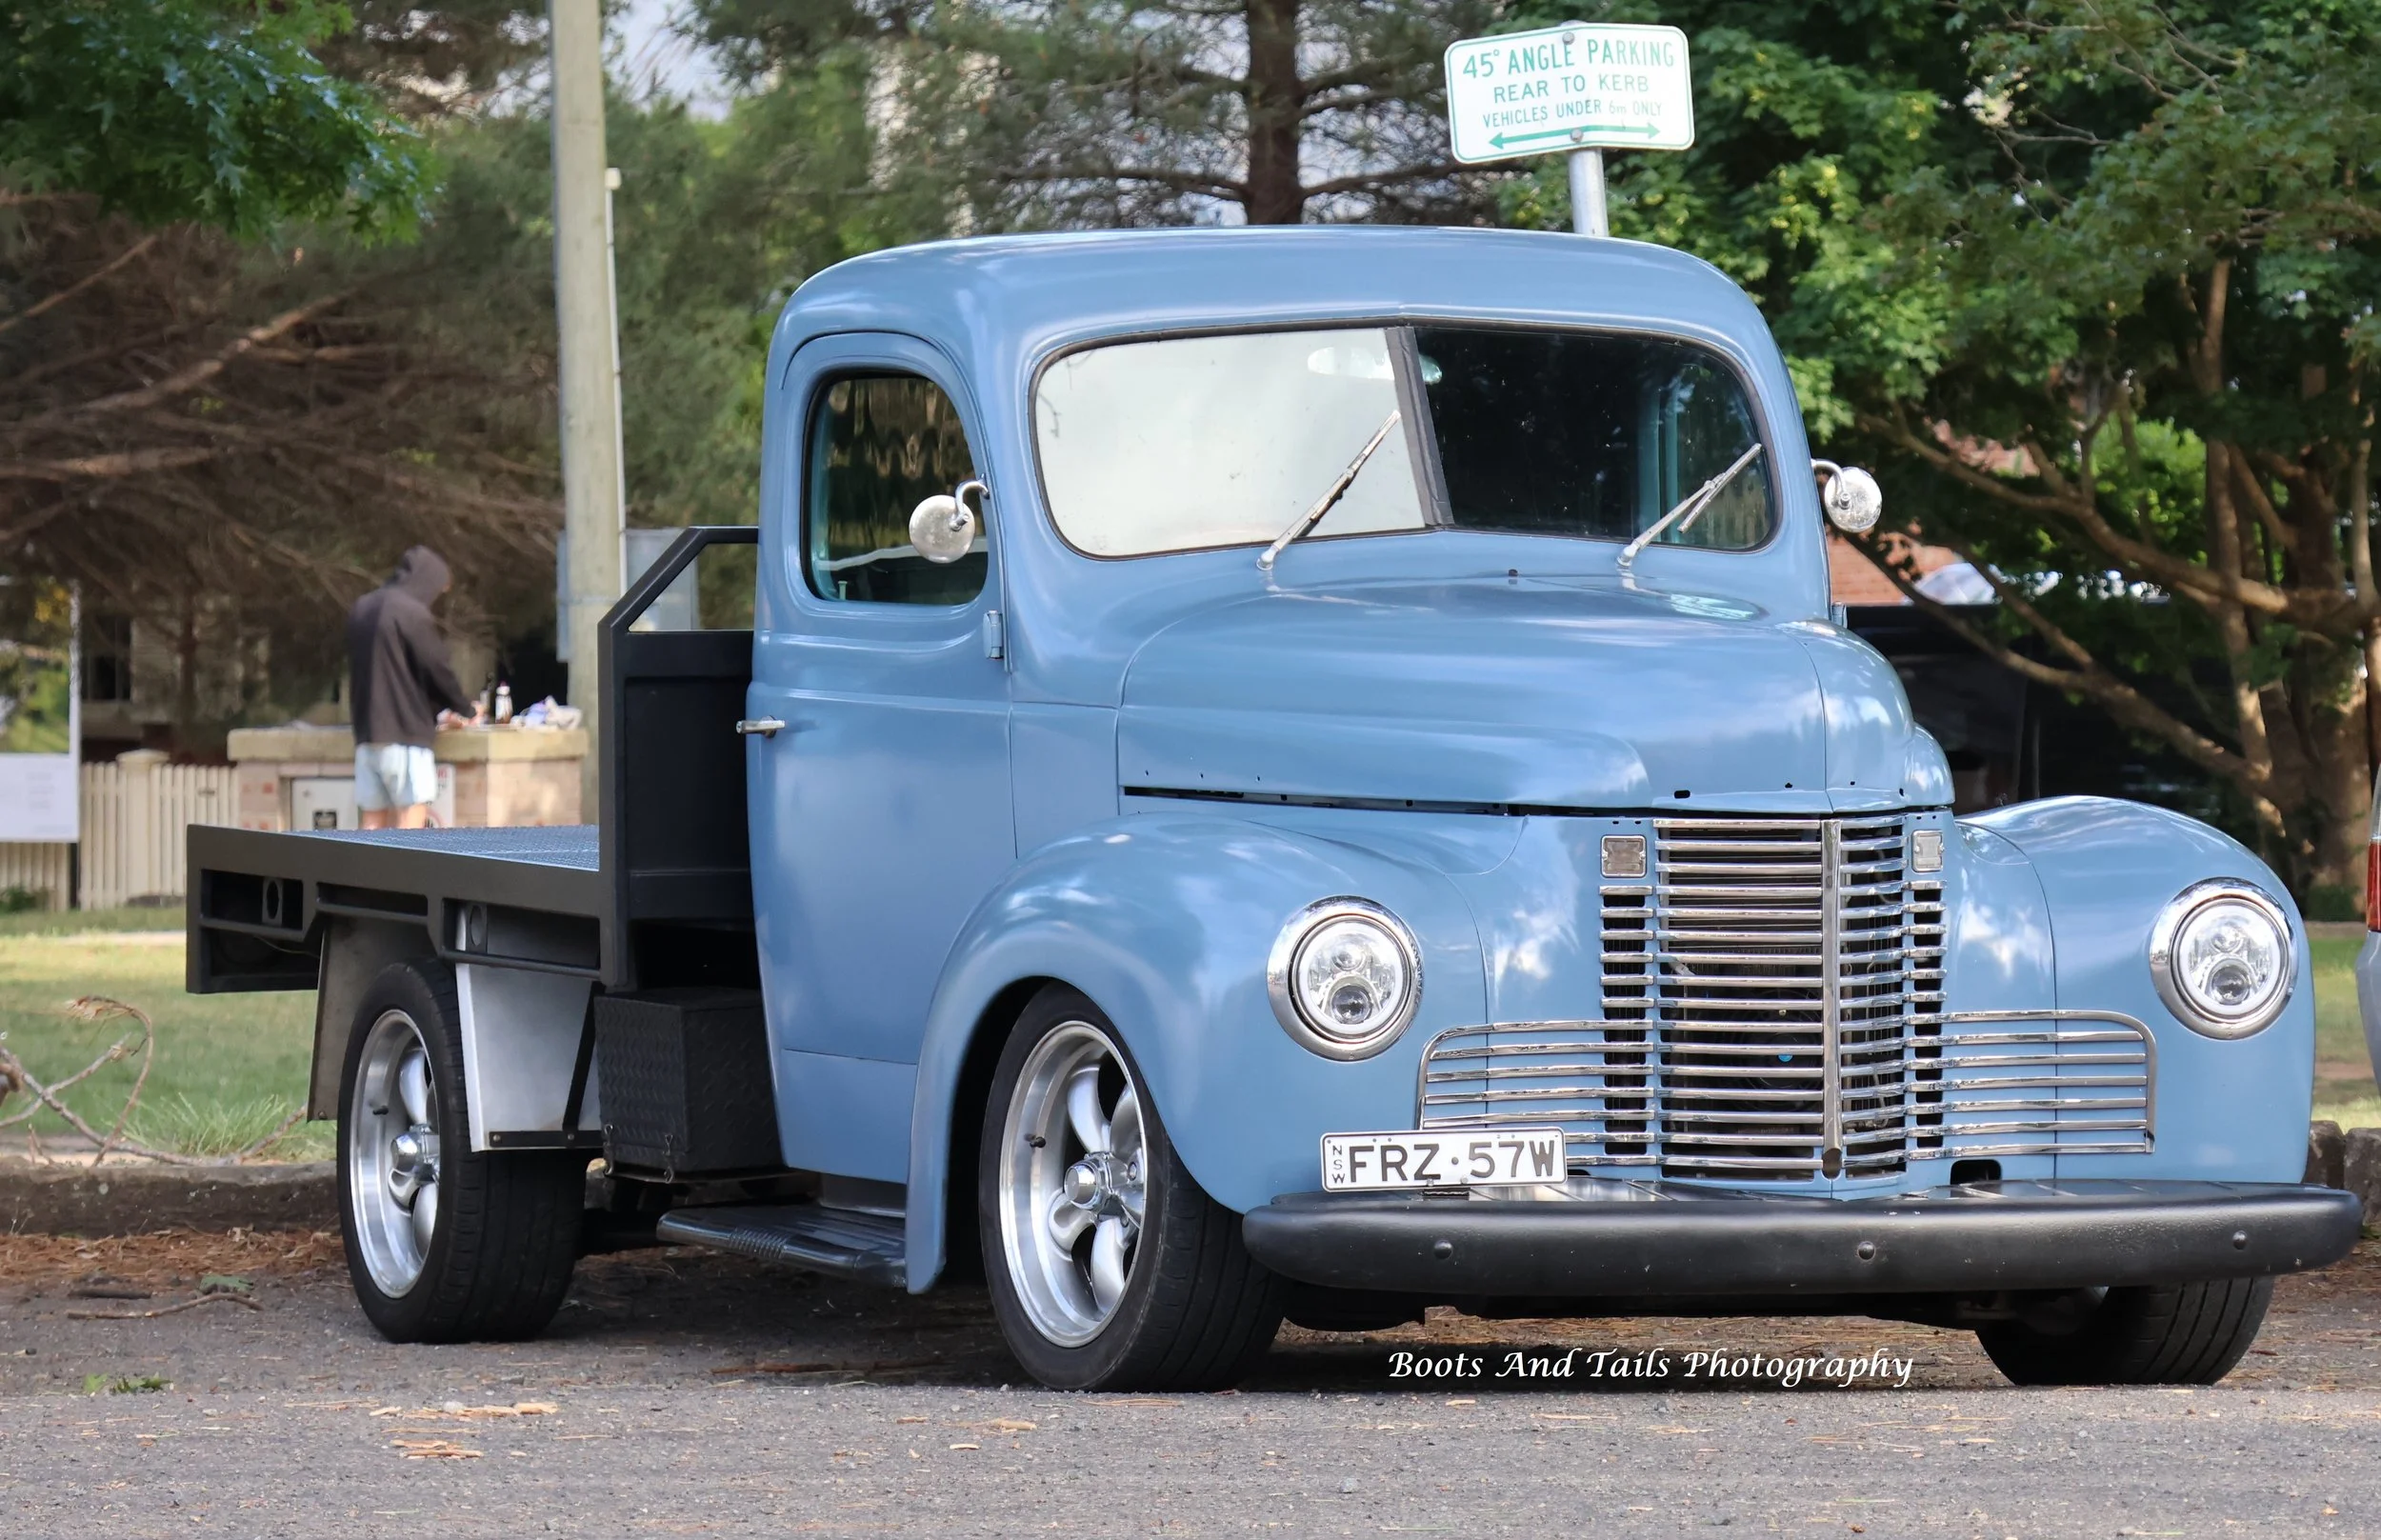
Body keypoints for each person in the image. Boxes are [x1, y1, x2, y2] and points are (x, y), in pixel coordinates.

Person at [346, 547, 480, 830]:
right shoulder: (411, 613)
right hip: (405, 736)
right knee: (410, 820)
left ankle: (363, 876)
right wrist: (465, 709)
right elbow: (436, 667)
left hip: (367, 735)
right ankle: (403, 876)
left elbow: (394, 672)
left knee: (372, 822)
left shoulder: (362, 608)